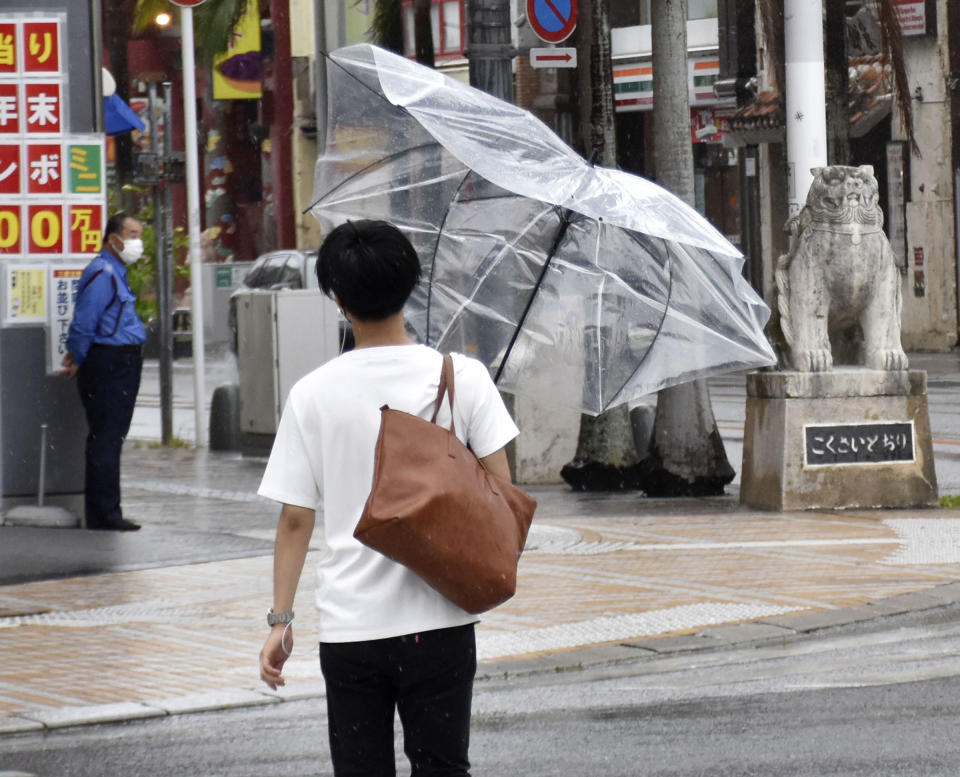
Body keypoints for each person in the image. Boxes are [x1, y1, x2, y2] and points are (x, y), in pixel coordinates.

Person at [258, 220, 520, 776]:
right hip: (441, 619)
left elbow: (295, 520)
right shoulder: (462, 377)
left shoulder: (312, 393)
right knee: (443, 767)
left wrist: (281, 621)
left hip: (352, 628)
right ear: (411, 285)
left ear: (336, 297)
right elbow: (504, 494)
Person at [60, 212, 146, 532]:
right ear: (114, 239)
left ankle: (107, 511)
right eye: (133, 234)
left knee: (110, 438)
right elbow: (85, 322)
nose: (138, 242)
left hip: (118, 361)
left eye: (140, 234)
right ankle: (105, 515)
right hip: (109, 363)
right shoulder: (102, 272)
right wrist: (78, 357)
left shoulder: (115, 272)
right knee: (106, 438)